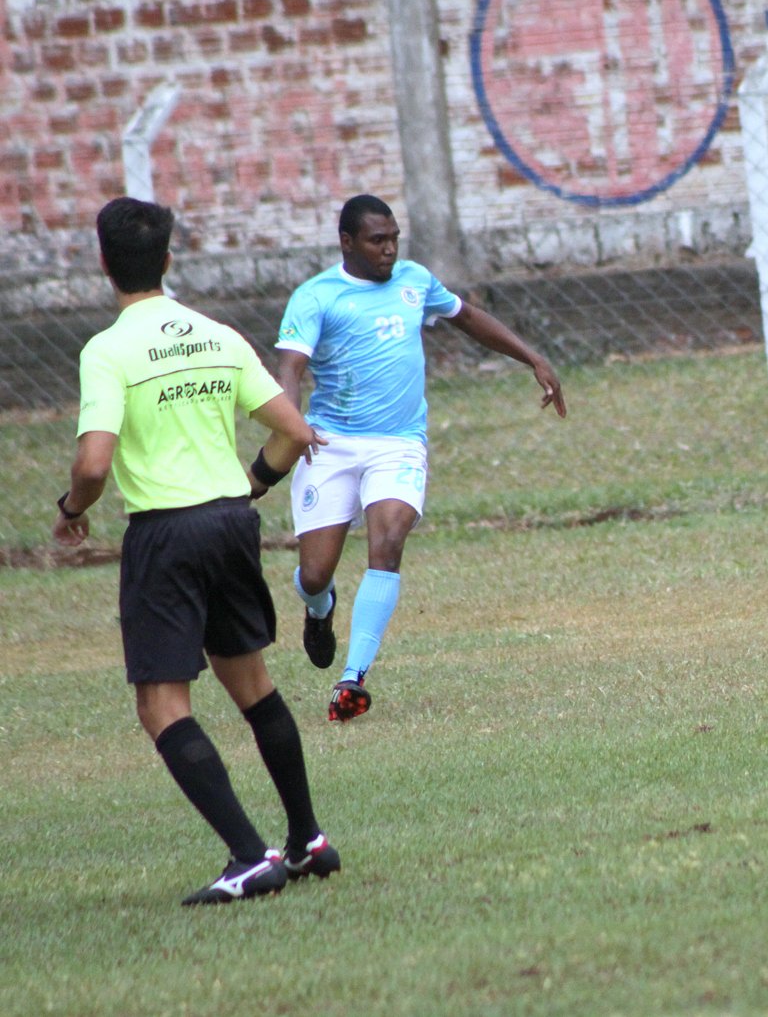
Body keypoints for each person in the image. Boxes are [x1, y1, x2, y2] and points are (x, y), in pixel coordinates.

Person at [54, 197, 339, 905]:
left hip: (166, 532)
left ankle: (249, 856)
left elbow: (93, 464)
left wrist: (70, 514)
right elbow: (294, 431)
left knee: (161, 702)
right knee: (251, 684)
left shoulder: (109, 349)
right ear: (169, 260)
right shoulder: (218, 334)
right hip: (230, 520)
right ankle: (307, 840)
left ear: (103, 264)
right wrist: (247, 486)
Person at [275, 194, 567, 721]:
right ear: (347, 242)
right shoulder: (316, 297)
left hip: (399, 443)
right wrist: (293, 427)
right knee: (315, 574)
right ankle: (319, 610)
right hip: (331, 444)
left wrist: (533, 357)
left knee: (386, 543)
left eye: (393, 239)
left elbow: (467, 316)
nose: (389, 250)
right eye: (376, 240)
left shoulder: (415, 280)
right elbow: (291, 368)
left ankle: (352, 679)